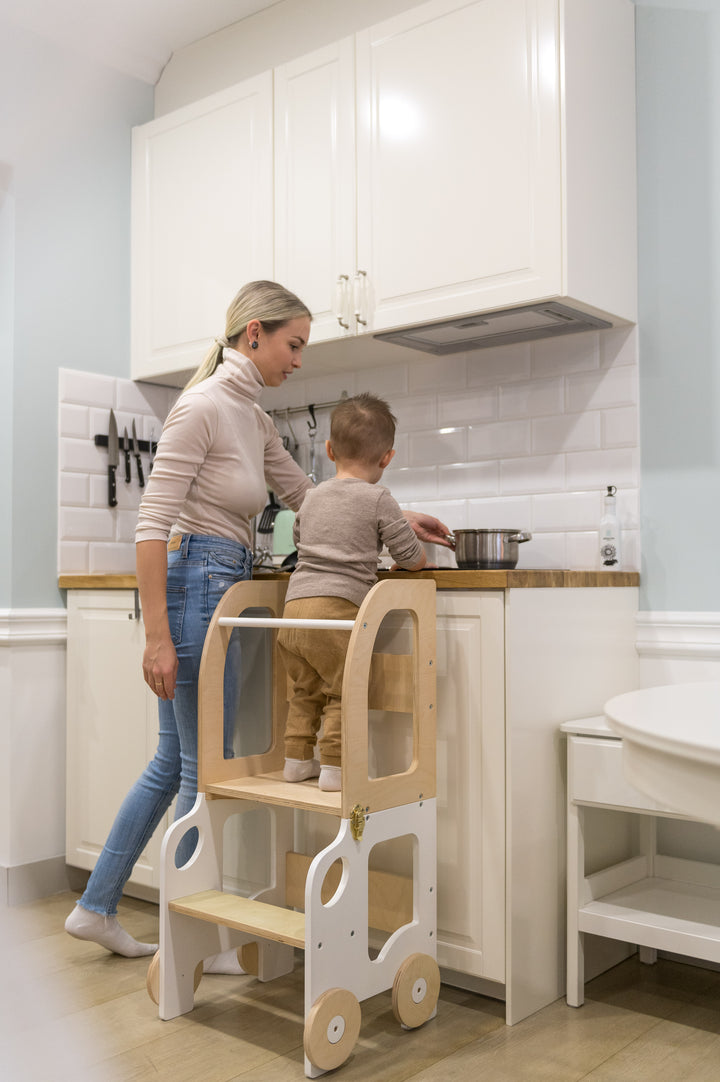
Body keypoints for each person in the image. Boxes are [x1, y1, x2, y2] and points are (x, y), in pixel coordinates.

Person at [65, 281, 450, 960]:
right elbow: (152, 527)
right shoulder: (204, 407)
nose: (299, 360)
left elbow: (312, 497)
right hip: (195, 584)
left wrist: (395, 510)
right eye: (293, 344)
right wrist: (157, 637)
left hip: (220, 579)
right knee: (198, 770)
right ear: (253, 336)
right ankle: (199, 942)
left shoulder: (254, 416)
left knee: (176, 762)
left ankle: (99, 906)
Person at [277, 393, 426, 792]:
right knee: (343, 689)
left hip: (292, 611)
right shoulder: (378, 497)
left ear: (329, 450)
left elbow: (299, 539)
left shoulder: (311, 496)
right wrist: (413, 557)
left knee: (304, 689)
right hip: (336, 611)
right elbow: (411, 555)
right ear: (387, 457)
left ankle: (295, 760)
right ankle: (335, 769)